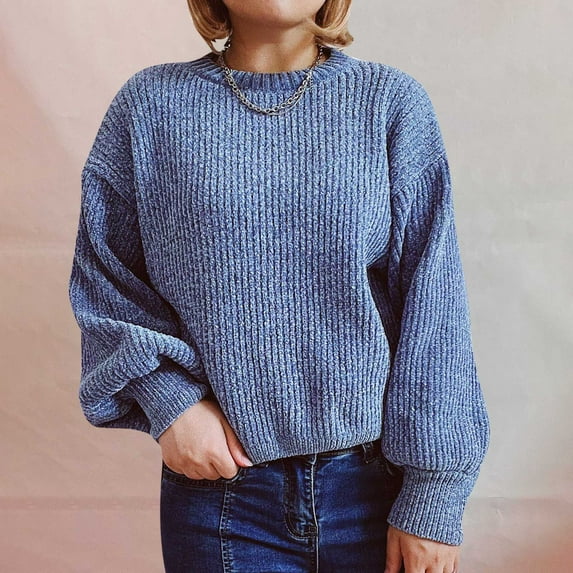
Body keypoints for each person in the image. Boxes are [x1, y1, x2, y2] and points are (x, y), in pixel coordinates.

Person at [67, 1, 490, 571]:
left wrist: (434, 493)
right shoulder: (150, 106)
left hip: (377, 491)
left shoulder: (389, 103)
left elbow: (434, 303)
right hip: (221, 496)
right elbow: (104, 278)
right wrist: (170, 402)